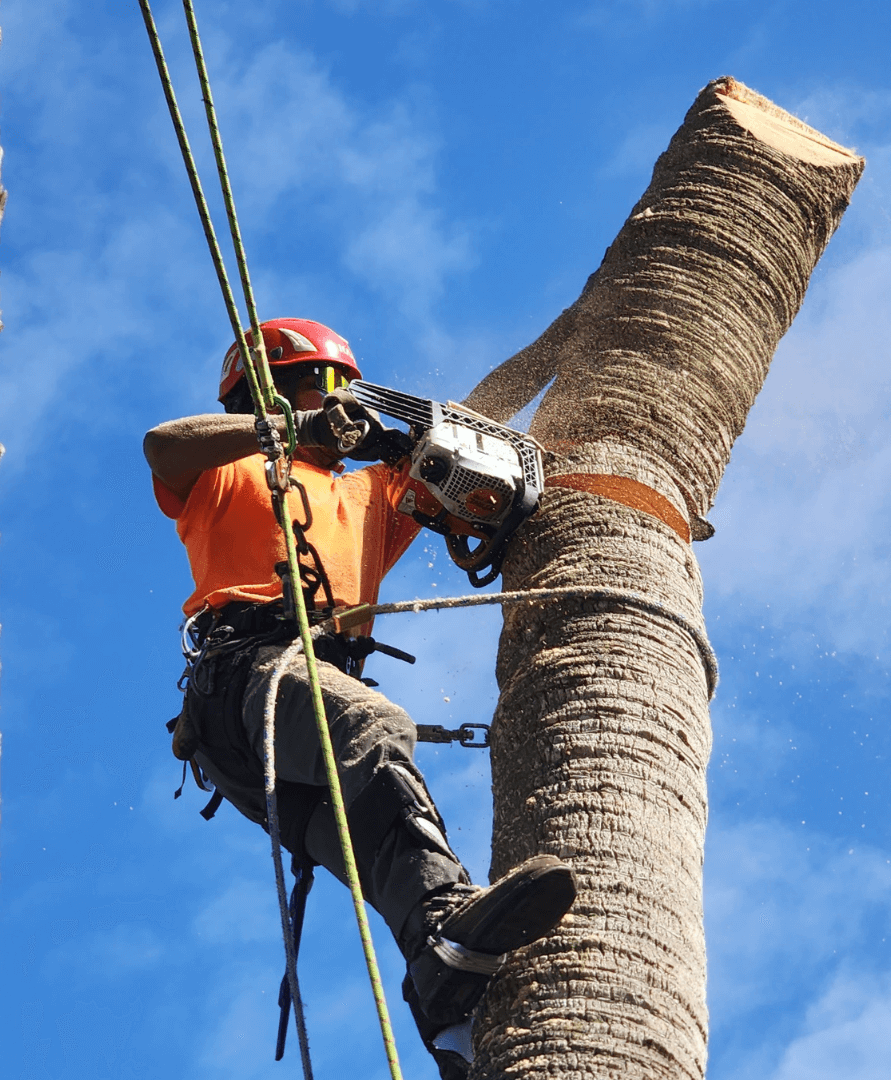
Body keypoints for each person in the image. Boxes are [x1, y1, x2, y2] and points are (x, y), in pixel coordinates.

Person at [144, 317, 575, 1077]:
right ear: (267, 390)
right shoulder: (227, 467)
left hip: (290, 721)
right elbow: (164, 444)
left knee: (384, 845)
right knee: (375, 727)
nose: (343, 405)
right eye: (324, 387)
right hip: (247, 675)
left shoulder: (374, 493)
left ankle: (453, 1026)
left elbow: (473, 424)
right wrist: (289, 427)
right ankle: (447, 930)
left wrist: (566, 339)